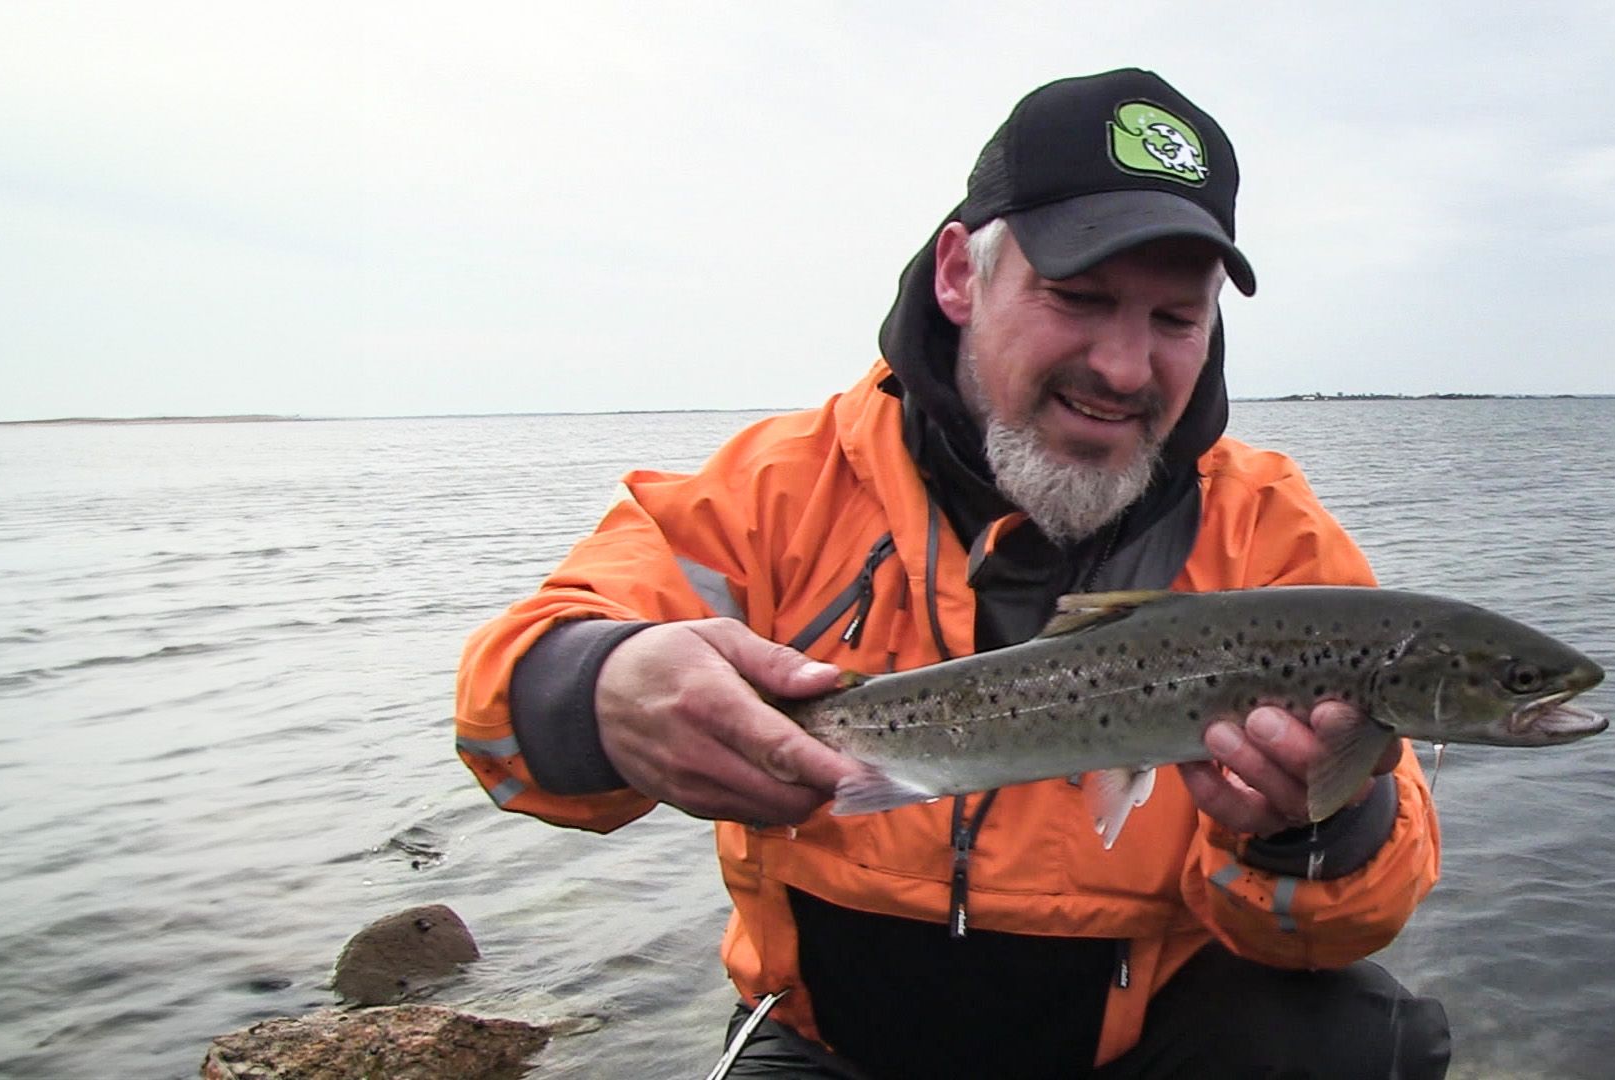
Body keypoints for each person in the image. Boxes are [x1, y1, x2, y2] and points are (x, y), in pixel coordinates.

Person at [456, 69, 1451, 1079]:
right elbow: (505, 712)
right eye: (1079, 298)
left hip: (1138, 1050)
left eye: (1173, 320)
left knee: (1356, 1041)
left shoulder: (1276, 539)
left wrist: (1309, 826)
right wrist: (605, 688)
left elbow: (1346, 923)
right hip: (837, 1049)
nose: (1121, 366)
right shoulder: (779, 491)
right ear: (957, 276)